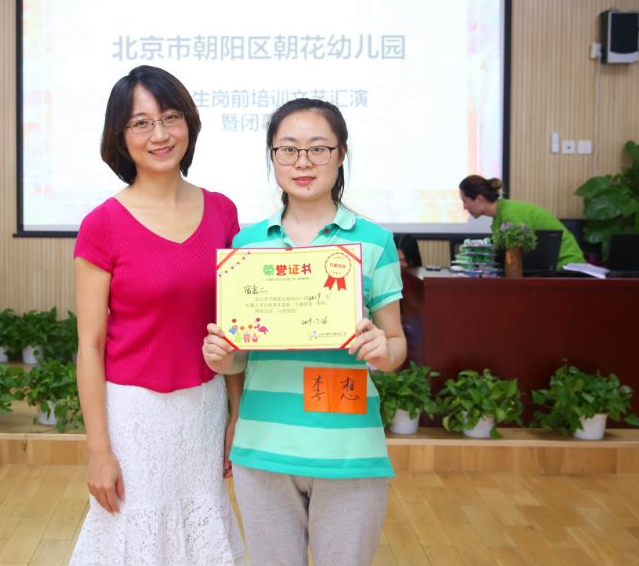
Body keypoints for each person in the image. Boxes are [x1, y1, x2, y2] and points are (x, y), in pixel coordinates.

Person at [202, 98, 406, 565]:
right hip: (264, 447)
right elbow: (239, 355)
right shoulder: (247, 244)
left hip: (349, 447)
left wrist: (381, 347)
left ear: (341, 154)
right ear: (272, 156)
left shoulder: (374, 241)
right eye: (288, 149)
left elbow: (395, 349)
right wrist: (222, 356)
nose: (303, 162)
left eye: (318, 149)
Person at [70, 65, 244, 565]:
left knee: (202, 527)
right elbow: (90, 345)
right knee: (134, 534)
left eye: (170, 118)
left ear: (189, 124)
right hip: (133, 414)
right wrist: (98, 450)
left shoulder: (223, 213)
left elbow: (231, 326)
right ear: (120, 139)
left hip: (204, 407)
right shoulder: (102, 224)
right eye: (141, 123)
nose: (160, 134)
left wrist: (237, 415)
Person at [458, 175, 585, 269]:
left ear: (479, 199)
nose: (464, 207)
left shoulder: (510, 215)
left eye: (465, 201)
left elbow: (516, 262)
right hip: (550, 268)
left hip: (566, 267)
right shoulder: (501, 214)